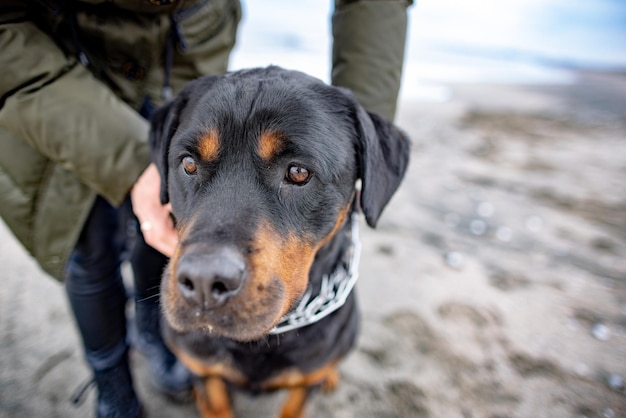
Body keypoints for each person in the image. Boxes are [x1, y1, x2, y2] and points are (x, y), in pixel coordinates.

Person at [0, 0, 412, 417]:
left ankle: (154, 337)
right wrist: (130, 166)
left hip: (184, 50)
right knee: (89, 247)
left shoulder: (334, 323)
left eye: (298, 173)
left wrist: (364, 126)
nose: (202, 273)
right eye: (191, 165)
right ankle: (128, 383)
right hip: (57, 72)